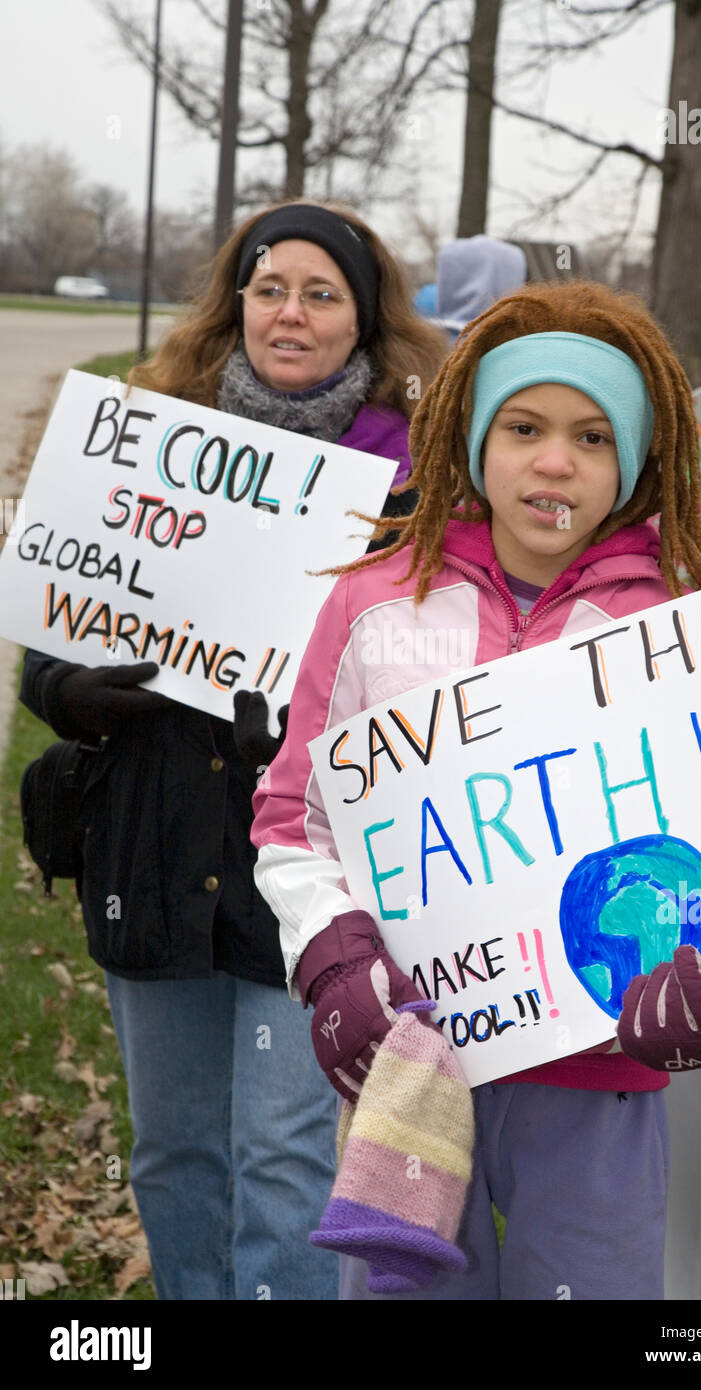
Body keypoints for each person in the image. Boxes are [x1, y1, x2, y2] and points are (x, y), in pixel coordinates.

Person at [251, 279, 701, 1300]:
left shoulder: (681, 624)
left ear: (634, 464)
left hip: (599, 1070)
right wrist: (332, 960)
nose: (554, 461)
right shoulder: (374, 603)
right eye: (522, 426)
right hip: (414, 1064)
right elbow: (293, 817)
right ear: (472, 439)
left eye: (592, 436)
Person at [19, 200, 447, 1300]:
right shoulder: (149, 441)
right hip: (151, 854)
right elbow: (43, 667)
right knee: (172, 1150)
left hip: (304, 871)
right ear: (236, 303)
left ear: (363, 321)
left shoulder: (417, 487)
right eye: (268, 289)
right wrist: (81, 693)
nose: (289, 314)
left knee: (287, 1153)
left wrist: (317, 720)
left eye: (319, 294)